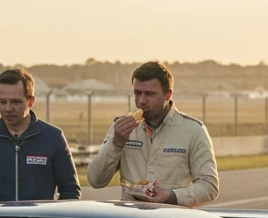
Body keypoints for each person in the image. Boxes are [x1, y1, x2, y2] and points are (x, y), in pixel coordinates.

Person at [86, 60, 219, 206]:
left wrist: (170, 196)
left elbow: (209, 186)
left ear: (168, 95)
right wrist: (116, 143)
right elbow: (95, 180)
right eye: (137, 93)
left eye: (149, 94)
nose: (142, 101)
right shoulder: (121, 127)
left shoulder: (193, 130)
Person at [0, 68, 80, 204]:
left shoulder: (53, 137)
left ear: (30, 101)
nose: (7, 108)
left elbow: (70, 190)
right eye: (2, 102)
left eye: (15, 102)